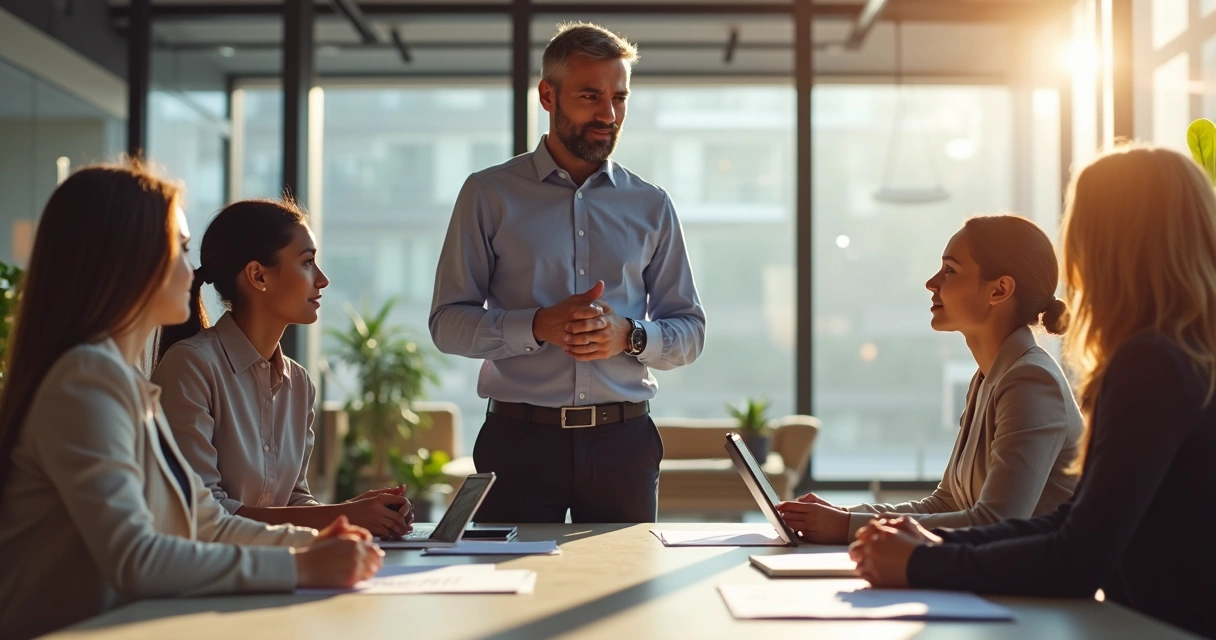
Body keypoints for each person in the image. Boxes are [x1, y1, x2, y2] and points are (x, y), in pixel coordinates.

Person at [0, 163, 381, 640]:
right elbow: (139, 558)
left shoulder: (125, 384)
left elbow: (206, 522)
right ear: (127, 260)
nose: (194, 269)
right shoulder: (85, 381)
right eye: (179, 249)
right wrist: (300, 567)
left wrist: (316, 543)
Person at [849, 146, 1216, 640]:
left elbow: (1078, 556)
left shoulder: (1152, 363)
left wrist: (924, 562)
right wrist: (930, 550)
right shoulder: (1185, 354)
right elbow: (1075, 521)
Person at [429, 22, 705, 523]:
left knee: (626, 598)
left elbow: (690, 331)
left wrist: (631, 336)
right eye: (590, 96)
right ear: (547, 95)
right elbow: (447, 323)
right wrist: (536, 326)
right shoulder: (487, 195)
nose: (609, 114)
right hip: (518, 446)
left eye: (619, 98)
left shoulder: (651, 204)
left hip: (624, 445)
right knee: (513, 597)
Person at [778, 214, 1082, 543]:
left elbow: (995, 523)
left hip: (1031, 590)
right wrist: (847, 517)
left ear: (999, 290)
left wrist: (848, 527)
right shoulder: (989, 377)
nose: (931, 283)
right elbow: (945, 502)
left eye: (950, 270)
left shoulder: (1031, 381)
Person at [152, 199, 413, 539]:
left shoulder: (299, 383)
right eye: (307, 262)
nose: (322, 280)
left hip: (278, 575)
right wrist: (343, 515)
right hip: (213, 579)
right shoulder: (191, 366)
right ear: (258, 275)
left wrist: (361, 513)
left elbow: (292, 501)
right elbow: (202, 515)